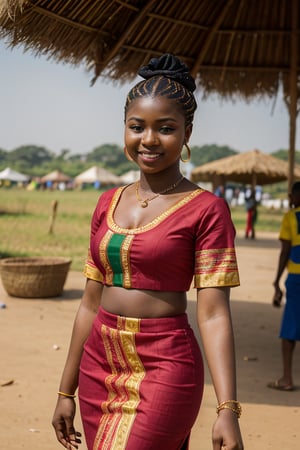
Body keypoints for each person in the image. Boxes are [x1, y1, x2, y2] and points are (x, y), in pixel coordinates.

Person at [52, 53, 244, 450]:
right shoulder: (107, 202)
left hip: (166, 365)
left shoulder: (207, 209)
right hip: (97, 367)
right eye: (137, 127)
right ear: (125, 129)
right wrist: (65, 391)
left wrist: (227, 408)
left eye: (166, 128)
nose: (149, 140)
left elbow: (212, 313)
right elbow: (89, 303)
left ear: (187, 132)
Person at [268, 181, 300, 392]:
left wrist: (277, 280)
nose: (289, 198)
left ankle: (287, 378)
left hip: (297, 277)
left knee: (289, 329)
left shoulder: (291, 217)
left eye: (292, 195)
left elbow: (285, 250)